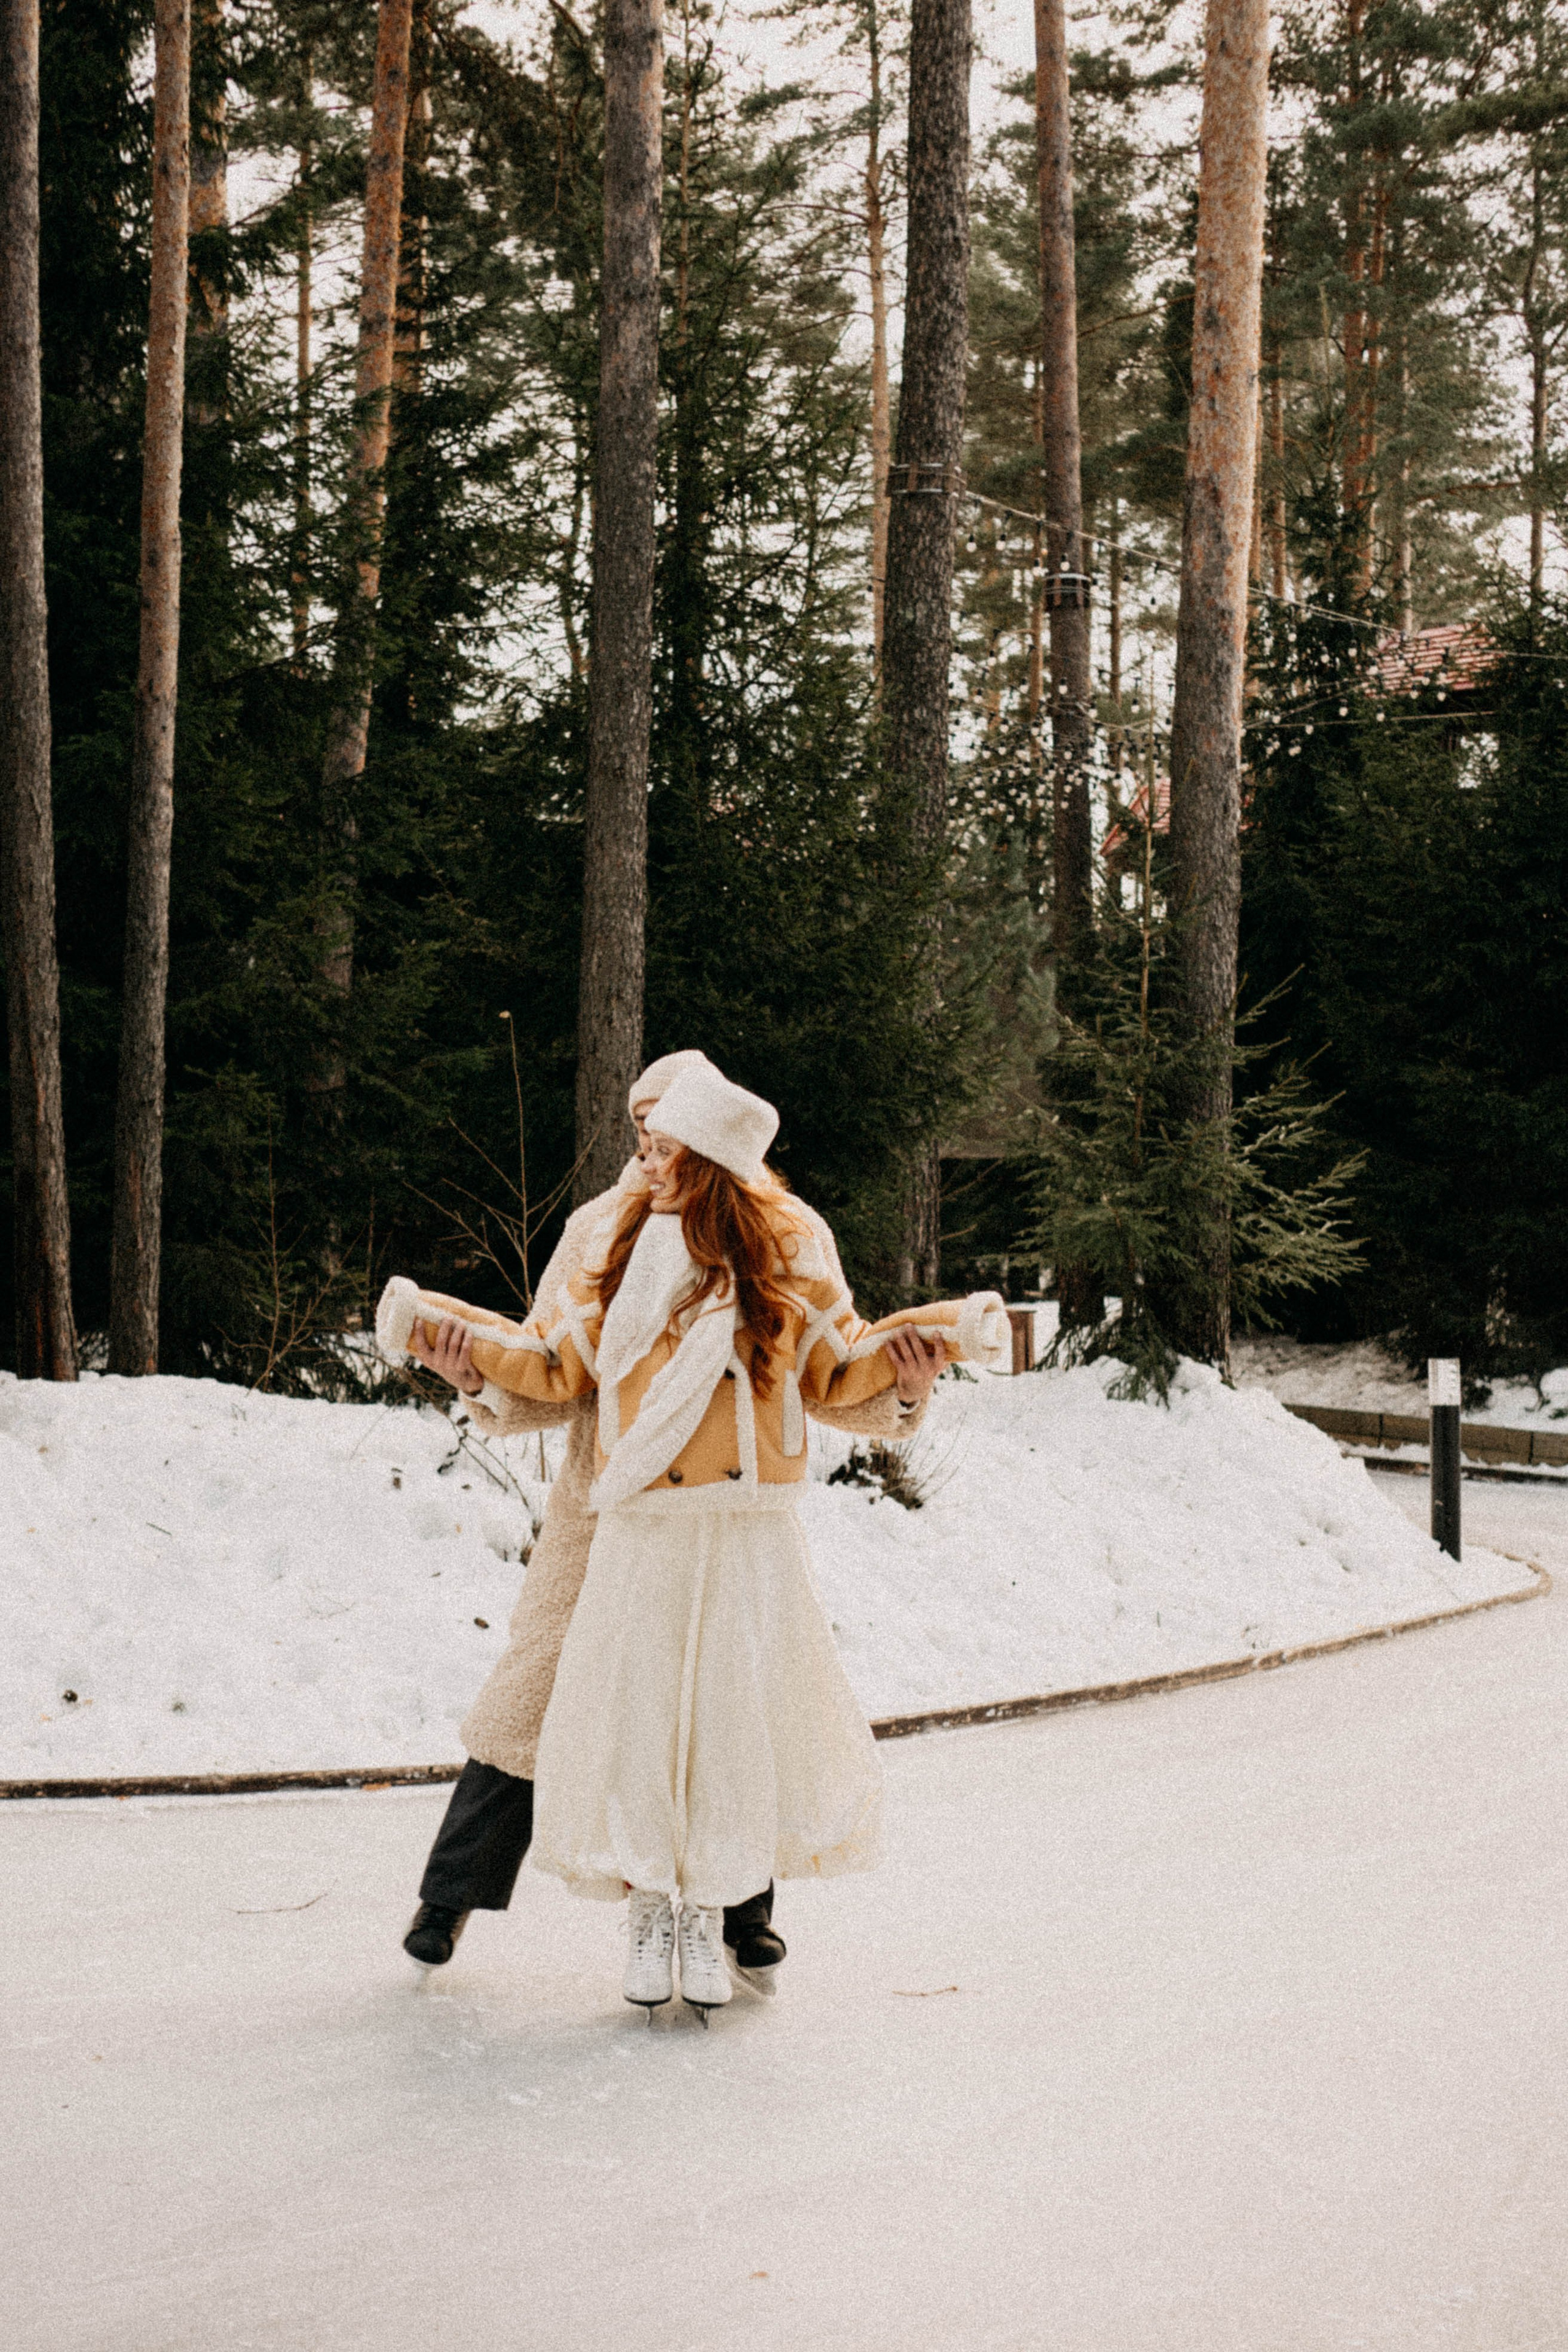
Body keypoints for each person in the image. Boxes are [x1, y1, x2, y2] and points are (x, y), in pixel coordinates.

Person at [399, 1052, 948, 1993]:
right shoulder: (599, 1230)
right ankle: (447, 1900)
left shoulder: (785, 1227)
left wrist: (902, 1391)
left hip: (724, 1510)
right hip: (605, 1504)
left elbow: (821, 1370)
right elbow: (551, 1369)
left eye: (666, 1124)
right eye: (640, 1126)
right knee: (534, 1698)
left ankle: (743, 1913)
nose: (649, 1143)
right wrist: (472, 1376)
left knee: (728, 1693)